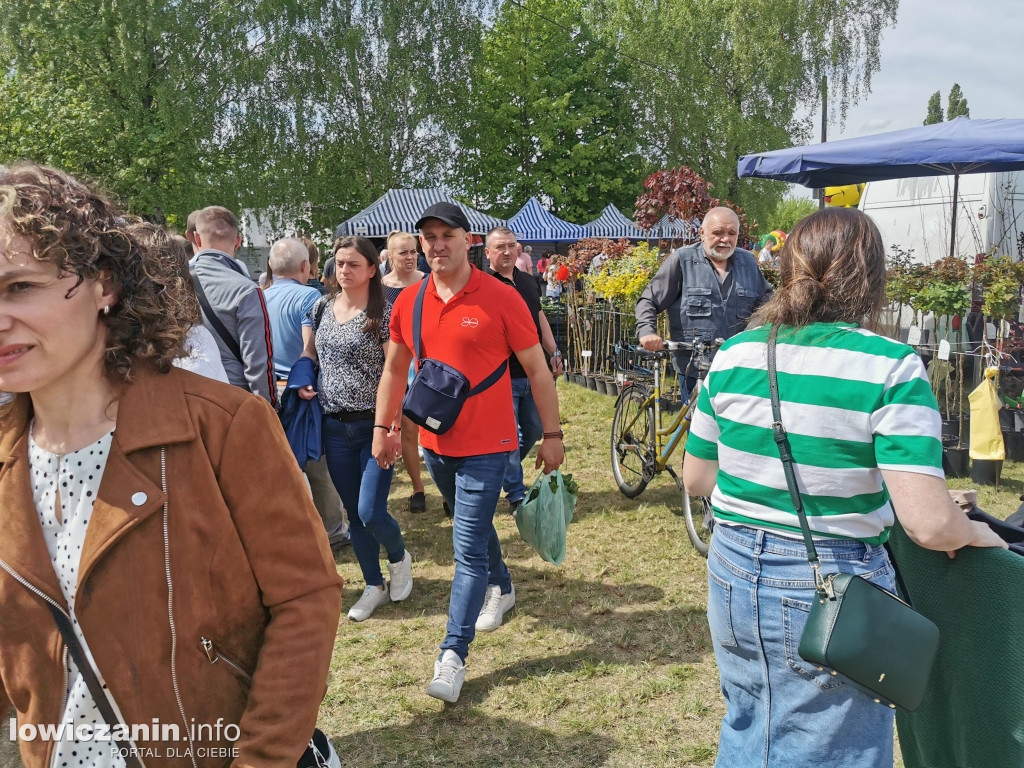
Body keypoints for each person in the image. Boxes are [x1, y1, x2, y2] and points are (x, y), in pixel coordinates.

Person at [0, 163, 343, 767]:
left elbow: (304, 600)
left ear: (103, 284)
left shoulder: (222, 426)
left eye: (18, 287)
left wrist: (262, 758)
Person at [681, 207, 1008, 768]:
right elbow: (929, 524)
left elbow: (697, 477)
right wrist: (980, 534)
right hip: (830, 576)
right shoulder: (890, 366)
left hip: (731, 568)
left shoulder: (735, 353)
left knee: (748, 722)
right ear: (870, 277)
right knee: (836, 746)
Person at [373, 202, 564, 703]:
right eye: (428, 237)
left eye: (446, 235)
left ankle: (452, 653)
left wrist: (552, 434)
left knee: (466, 549)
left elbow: (538, 370)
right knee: (471, 528)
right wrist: (385, 426)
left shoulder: (501, 297)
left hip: (490, 443)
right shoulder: (409, 301)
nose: (437, 245)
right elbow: (395, 371)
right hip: (436, 441)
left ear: (468, 239)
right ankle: (504, 586)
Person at [300, 236, 412, 622]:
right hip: (334, 426)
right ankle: (373, 583)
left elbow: (397, 374)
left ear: (371, 269)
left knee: (371, 510)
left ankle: (399, 558)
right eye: (339, 263)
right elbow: (311, 353)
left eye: (352, 264)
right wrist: (302, 374)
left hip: (373, 425)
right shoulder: (321, 308)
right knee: (352, 510)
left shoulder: (384, 311)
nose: (343, 270)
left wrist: (392, 425)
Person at [264, 237, 350, 552]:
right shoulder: (310, 298)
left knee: (281, 468)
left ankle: (288, 531)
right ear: (305, 266)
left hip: (270, 392)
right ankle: (333, 531)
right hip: (305, 390)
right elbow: (313, 349)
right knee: (319, 465)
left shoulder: (257, 297)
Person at [635, 206, 772, 391]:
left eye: (732, 233)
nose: (725, 239)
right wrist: (647, 332)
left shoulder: (748, 262)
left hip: (738, 368)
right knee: (695, 420)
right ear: (702, 232)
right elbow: (649, 300)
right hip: (694, 369)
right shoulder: (682, 260)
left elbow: (768, 302)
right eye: (717, 233)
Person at [484, 226, 563, 514]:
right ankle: (515, 494)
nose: (507, 251)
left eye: (511, 245)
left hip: (535, 372)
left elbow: (538, 316)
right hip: (502, 374)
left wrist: (554, 352)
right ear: (488, 253)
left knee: (535, 428)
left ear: (519, 249)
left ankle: (502, 469)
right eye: (500, 247)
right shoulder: (484, 286)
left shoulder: (528, 281)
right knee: (510, 436)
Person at [189, 205, 278, 407]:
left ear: (197, 238)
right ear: (238, 241)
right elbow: (258, 362)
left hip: (187, 399)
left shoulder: (174, 284)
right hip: (233, 402)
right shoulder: (247, 290)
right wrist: (269, 410)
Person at [381, 230, 429, 513]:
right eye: (404, 252)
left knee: (436, 428)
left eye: (413, 251)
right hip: (398, 364)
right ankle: (417, 489)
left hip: (430, 365)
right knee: (409, 431)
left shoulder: (429, 281)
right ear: (389, 256)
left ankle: (447, 490)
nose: (410, 257)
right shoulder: (381, 287)